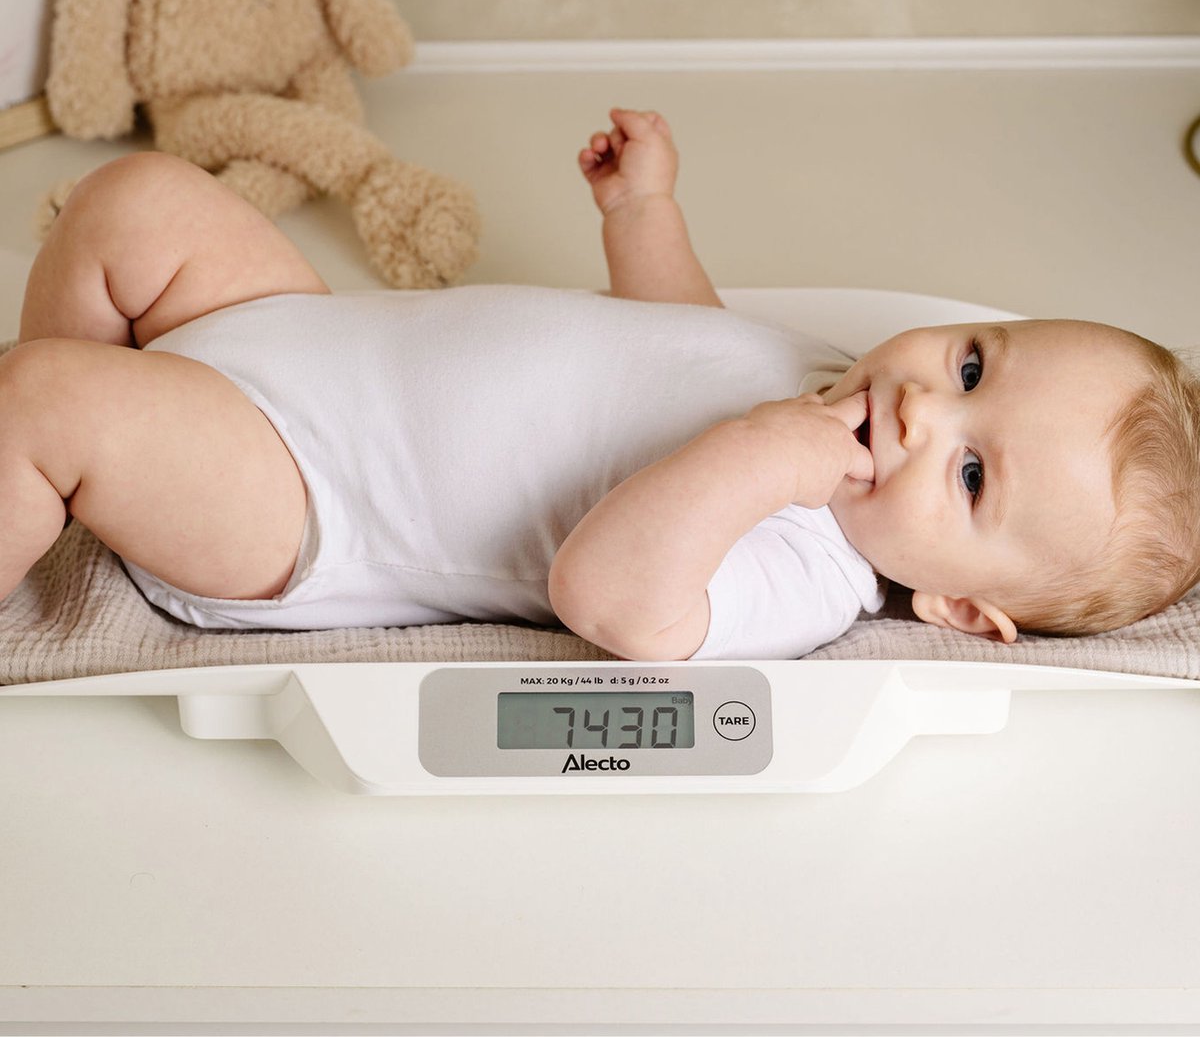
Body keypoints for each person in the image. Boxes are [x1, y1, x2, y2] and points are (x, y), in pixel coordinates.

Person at [2, 109, 1198, 661]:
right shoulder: (830, 381)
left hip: (303, 492)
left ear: (960, 609)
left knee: (43, 398)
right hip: (305, 338)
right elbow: (681, 336)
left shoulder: (808, 577)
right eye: (972, 365)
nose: (931, 410)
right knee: (133, 200)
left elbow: (612, 595)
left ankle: (57, 470)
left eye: (973, 476)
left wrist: (764, 458)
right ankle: (55, 506)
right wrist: (644, 215)